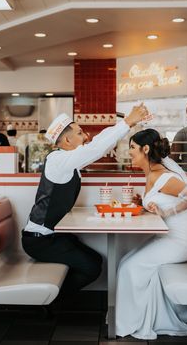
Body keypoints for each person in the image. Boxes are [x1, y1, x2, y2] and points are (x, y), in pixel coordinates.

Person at [22, 105, 151, 294]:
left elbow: (98, 143)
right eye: (80, 133)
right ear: (67, 139)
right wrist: (127, 122)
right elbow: (96, 148)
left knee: (97, 261)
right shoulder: (58, 160)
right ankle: (50, 301)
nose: (86, 137)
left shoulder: (69, 162)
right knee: (91, 267)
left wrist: (124, 124)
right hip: (40, 240)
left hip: (53, 236)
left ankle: (53, 298)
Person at [116, 128, 187, 340]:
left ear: (145, 149)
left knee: (129, 267)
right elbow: (160, 201)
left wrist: (167, 211)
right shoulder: (151, 173)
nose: (129, 152)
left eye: (132, 147)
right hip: (167, 237)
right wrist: (143, 204)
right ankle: (142, 316)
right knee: (125, 260)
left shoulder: (162, 176)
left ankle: (130, 322)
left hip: (180, 241)